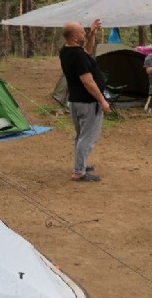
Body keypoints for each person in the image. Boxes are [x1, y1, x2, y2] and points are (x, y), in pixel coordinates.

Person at [59, 19, 111, 182]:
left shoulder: (67, 50)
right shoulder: (78, 55)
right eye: (82, 32)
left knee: (81, 136)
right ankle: (79, 171)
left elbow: (86, 51)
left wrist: (92, 34)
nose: (84, 33)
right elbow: (88, 82)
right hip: (87, 103)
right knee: (87, 138)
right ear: (74, 37)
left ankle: (80, 163)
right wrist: (102, 100)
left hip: (75, 101)